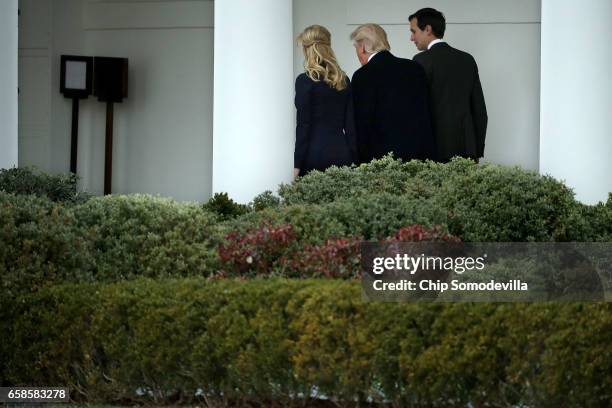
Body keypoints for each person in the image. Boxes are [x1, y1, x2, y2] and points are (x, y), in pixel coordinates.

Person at [409, 8, 488, 162]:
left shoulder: (420, 61)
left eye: (414, 31)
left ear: (428, 29)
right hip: (466, 151)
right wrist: (476, 150)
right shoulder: (467, 60)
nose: (412, 38)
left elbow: (416, 111)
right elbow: (480, 111)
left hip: (432, 152)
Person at [350, 23, 434, 164]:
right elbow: (426, 114)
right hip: (417, 157)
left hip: (380, 162)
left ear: (362, 47)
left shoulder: (362, 76)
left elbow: (361, 125)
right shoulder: (414, 68)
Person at [294, 25, 357, 178]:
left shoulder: (305, 80)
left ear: (307, 49)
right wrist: (355, 160)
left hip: (313, 157)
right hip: (342, 155)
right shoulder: (343, 80)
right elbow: (350, 126)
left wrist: (297, 164)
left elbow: (304, 125)